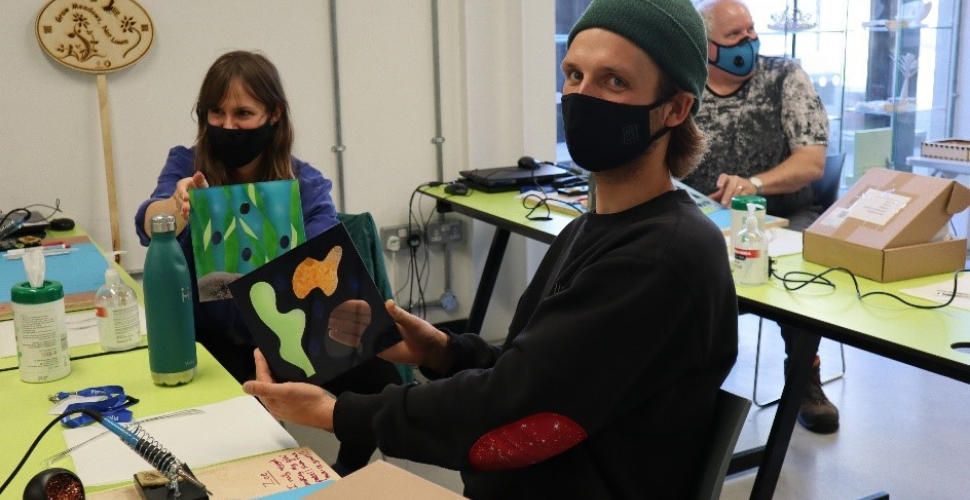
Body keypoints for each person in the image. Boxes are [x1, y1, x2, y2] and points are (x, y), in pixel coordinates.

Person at [243, 1, 738, 498]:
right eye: (573, 74)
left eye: (614, 82)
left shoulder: (660, 257)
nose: (582, 96)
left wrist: (333, 413)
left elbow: (509, 407)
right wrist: (443, 350)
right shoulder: (595, 228)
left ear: (675, 108)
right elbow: (539, 369)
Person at [134, 50, 402, 475]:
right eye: (215, 112)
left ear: (273, 113)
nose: (227, 125)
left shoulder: (306, 184)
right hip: (210, 340)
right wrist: (176, 203)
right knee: (232, 437)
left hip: (285, 335)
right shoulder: (186, 164)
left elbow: (322, 263)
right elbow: (148, 223)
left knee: (380, 382)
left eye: (243, 112)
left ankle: (346, 473)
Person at [685, 0, 838, 433]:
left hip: (788, 215)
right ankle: (681, 382)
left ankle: (804, 373)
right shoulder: (685, 87)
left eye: (751, 30)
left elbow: (811, 163)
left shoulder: (785, 77)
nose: (749, 42)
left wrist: (754, 183)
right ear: (706, 47)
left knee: (794, 273)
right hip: (705, 217)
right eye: (735, 36)